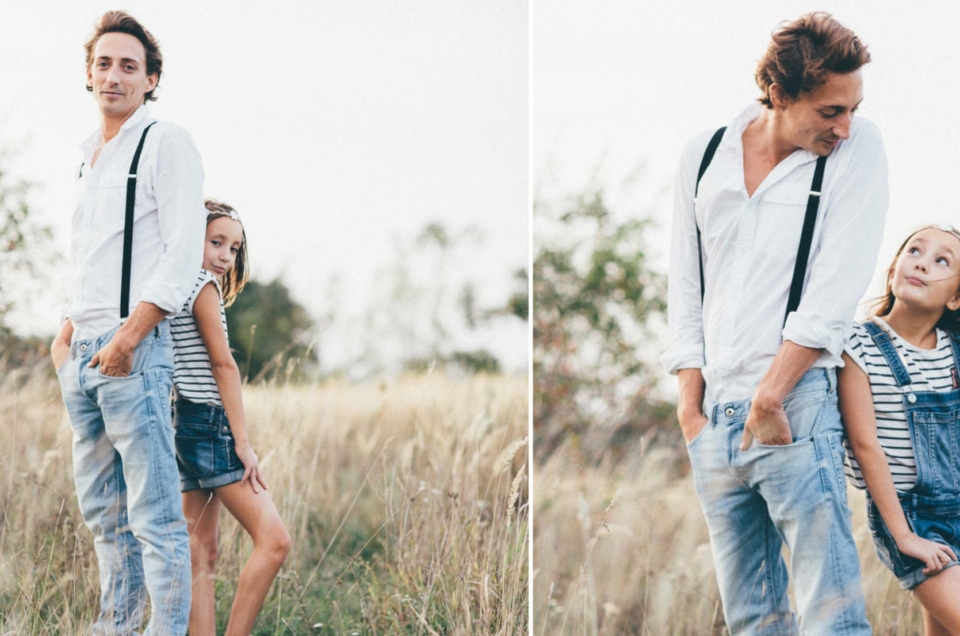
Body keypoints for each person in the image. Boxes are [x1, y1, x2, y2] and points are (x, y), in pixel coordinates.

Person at [661, 12, 888, 634]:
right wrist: (690, 403)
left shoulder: (855, 150)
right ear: (780, 95)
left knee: (830, 616)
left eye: (851, 108)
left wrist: (771, 394)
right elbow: (684, 280)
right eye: (829, 112)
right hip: (713, 415)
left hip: (796, 405)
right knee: (752, 618)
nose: (844, 126)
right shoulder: (703, 154)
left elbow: (836, 286)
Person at [50, 11, 204, 635]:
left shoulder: (165, 140)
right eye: (104, 63)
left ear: (151, 79)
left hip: (130, 351)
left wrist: (130, 338)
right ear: (89, 75)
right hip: (81, 354)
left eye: (129, 66)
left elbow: (182, 248)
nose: (114, 75)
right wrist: (65, 335)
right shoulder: (89, 159)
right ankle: (116, 629)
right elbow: (93, 255)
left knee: (156, 519)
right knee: (104, 519)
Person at [172, 200, 291, 636]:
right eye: (216, 242)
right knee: (275, 541)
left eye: (235, 248)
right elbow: (224, 366)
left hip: (182, 424)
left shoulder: (170, 287)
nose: (226, 256)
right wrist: (242, 442)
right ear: (191, 240)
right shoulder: (202, 286)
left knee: (201, 550)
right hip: (208, 424)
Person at [838, 226, 960, 636]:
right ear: (894, 269)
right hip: (914, 518)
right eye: (915, 251)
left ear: (957, 297)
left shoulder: (954, 351)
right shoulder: (859, 343)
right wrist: (905, 536)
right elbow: (864, 445)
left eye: (943, 261)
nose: (923, 262)